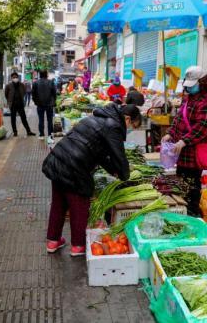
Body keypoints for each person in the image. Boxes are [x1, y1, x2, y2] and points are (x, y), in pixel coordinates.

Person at [42, 103, 142, 256]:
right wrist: (125, 175)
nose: (128, 129)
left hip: (58, 159)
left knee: (59, 203)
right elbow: (119, 156)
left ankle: (53, 241)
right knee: (79, 205)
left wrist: (113, 170)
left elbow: (99, 153)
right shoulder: (113, 126)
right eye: (131, 125)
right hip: (75, 166)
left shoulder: (98, 118)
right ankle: (78, 245)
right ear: (127, 119)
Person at [162, 66, 207, 215]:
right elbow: (179, 118)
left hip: (194, 151)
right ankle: (184, 209)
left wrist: (184, 141)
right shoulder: (189, 98)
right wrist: (170, 133)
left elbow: (203, 126)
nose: (189, 88)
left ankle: (193, 212)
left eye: (193, 85)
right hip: (183, 151)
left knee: (192, 184)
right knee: (182, 180)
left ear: (202, 83)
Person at [5, 72, 36, 137]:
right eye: (14, 77)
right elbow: (6, 94)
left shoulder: (22, 85)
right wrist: (9, 101)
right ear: (11, 78)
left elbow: (24, 92)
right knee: (13, 119)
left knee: (23, 118)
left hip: (20, 104)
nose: (15, 78)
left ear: (18, 78)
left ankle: (28, 131)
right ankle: (15, 132)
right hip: (12, 104)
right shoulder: (8, 85)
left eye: (16, 77)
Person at [32, 70, 56, 141]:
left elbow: (33, 94)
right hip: (49, 105)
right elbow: (54, 93)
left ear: (40, 75)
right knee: (50, 120)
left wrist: (36, 102)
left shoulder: (35, 83)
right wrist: (53, 102)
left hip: (40, 105)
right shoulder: (51, 82)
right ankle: (50, 135)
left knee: (41, 120)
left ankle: (41, 134)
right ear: (46, 74)